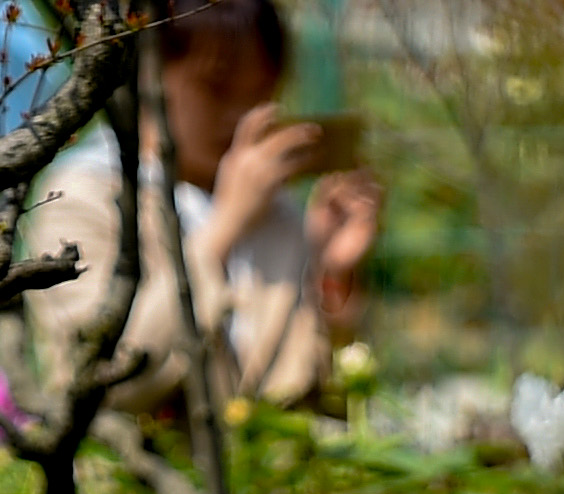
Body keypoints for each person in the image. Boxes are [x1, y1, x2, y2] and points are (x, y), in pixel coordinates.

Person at [19, 0, 379, 412]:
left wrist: (330, 273)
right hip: (137, 471)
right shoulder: (81, 195)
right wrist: (223, 229)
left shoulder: (274, 207)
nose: (240, 116)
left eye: (260, 91)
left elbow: (311, 392)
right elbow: (106, 381)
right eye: (216, 87)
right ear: (148, 73)